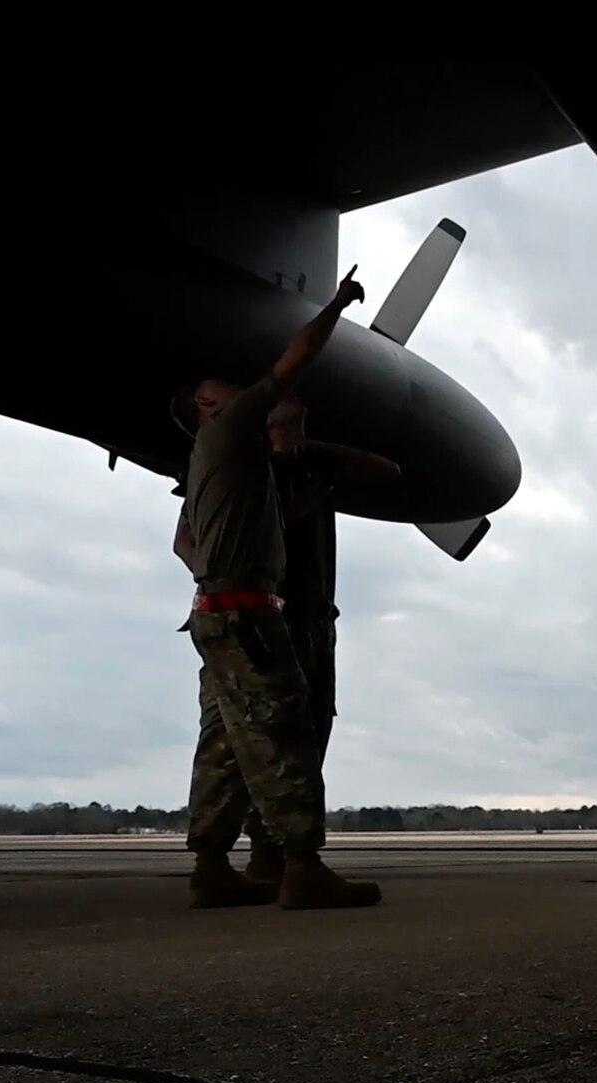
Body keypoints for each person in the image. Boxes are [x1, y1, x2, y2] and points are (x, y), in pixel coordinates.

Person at [173, 266, 381, 910]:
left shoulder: (226, 459)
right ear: (211, 407)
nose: (240, 389)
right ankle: (300, 865)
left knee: (227, 743)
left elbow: (184, 544)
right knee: (287, 730)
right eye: (224, 390)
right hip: (248, 613)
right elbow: (295, 360)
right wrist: (338, 304)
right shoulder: (233, 429)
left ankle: (210, 865)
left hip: (218, 611)